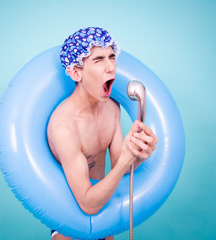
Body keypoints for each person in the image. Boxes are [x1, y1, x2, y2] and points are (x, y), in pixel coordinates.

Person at [47, 27, 158, 240]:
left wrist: (140, 154)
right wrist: (126, 162)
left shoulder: (112, 109)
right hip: (69, 214)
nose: (110, 68)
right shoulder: (64, 126)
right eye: (98, 59)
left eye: (112, 56)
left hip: (103, 203)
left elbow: (121, 165)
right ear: (76, 72)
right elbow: (87, 204)